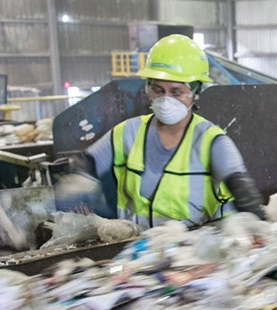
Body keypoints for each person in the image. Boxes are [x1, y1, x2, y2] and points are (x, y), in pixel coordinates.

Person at [58, 35, 265, 228]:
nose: (166, 100)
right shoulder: (128, 132)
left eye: (177, 92)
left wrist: (258, 229)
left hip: (195, 254)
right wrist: (80, 182)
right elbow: (88, 163)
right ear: (147, 87)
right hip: (138, 249)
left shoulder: (211, 141)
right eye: (158, 90)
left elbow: (243, 193)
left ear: (196, 93)